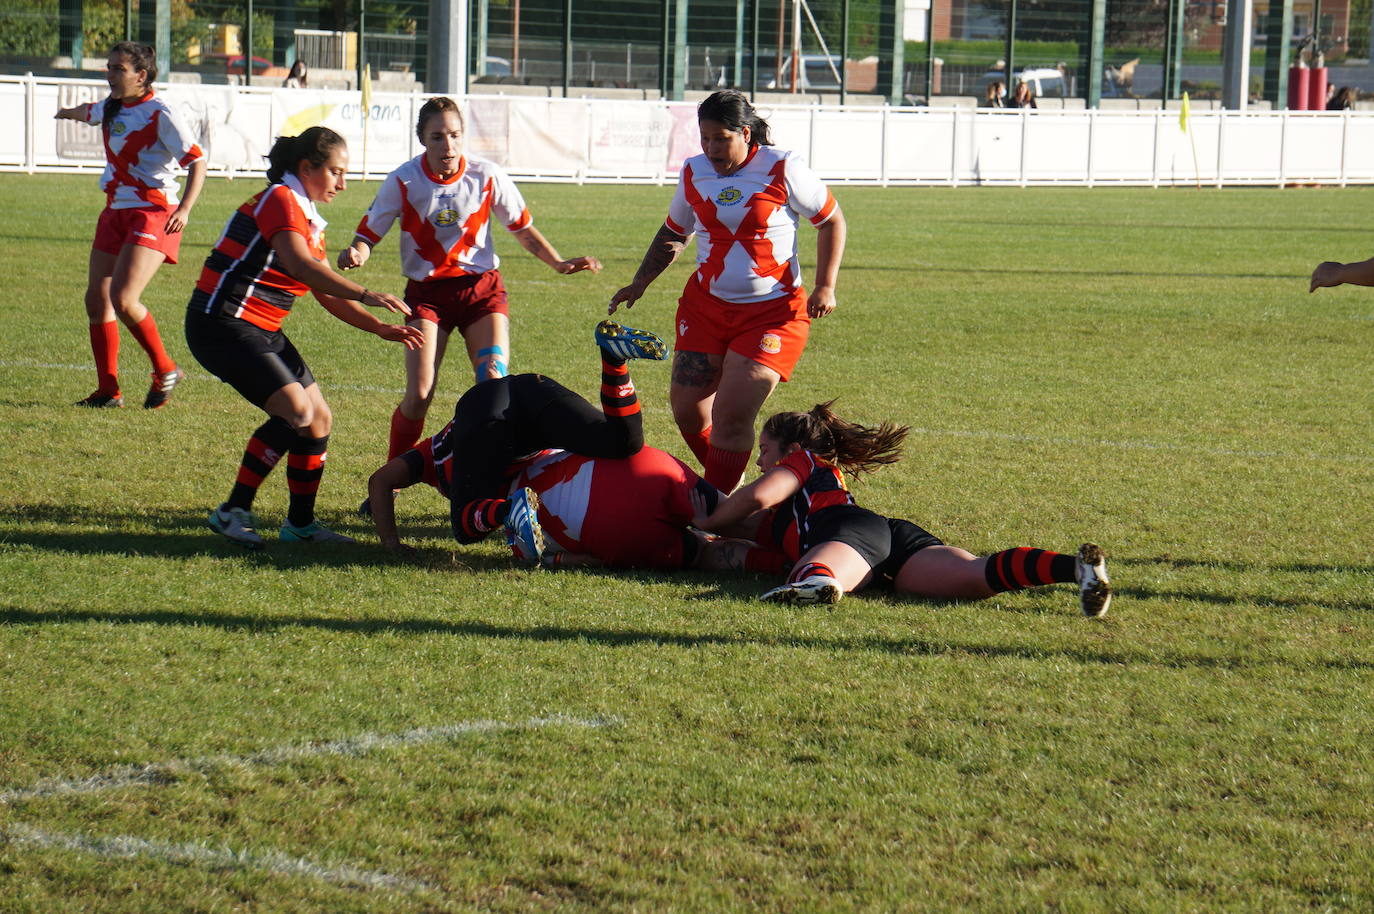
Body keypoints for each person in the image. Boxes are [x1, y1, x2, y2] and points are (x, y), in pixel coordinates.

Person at [186, 126, 424, 548]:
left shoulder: (307, 216)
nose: (342, 183)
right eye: (335, 172)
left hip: (260, 327)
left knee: (318, 420)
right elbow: (300, 265)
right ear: (306, 168)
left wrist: (379, 328)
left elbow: (324, 291)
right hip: (220, 322)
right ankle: (232, 511)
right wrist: (366, 294)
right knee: (296, 410)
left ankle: (300, 526)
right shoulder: (280, 199)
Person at [339, 96, 602, 465]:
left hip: (482, 293)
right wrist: (356, 252)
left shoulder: (486, 175)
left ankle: (497, 477)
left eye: (454, 135)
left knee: (494, 385)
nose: (447, 146)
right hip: (427, 297)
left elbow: (522, 229)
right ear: (422, 139)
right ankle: (392, 476)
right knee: (419, 394)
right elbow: (368, 234)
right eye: (437, 137)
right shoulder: (403, 180)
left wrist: (557, 263)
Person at [608, 89, 847, 495]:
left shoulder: (782, 166)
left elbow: (831, 220)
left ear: (746, 134)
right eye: (705, 138)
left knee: (731, 417)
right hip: (705, 309)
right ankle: (732, 495)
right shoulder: (693, 171)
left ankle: (716, 514)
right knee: (688, 412)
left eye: (721, 138)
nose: (711, 148)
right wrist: (640, 281)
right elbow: (675, 231)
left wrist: (826, 285)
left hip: (773, 314)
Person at [691, 402, 1113, 616]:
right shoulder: (790, 516)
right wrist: (703, 536)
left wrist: (707, 518)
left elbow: (757, 497)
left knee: (818, 573)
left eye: (765, 450)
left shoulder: (805, 462)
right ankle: (1077, 568)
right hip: (888, 539)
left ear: (792, 449)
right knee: (974, 576)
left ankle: (818, 583)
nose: (760, 462)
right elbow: (745, 539)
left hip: (847, 531)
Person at [365, 320, 673, 561]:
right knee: (622, 442)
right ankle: (613, 358)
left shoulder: (430, 457)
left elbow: (380, 480)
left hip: (487, 410)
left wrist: (391, 544)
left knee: (464, 529)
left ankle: (509, 510)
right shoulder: (461, 464)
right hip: (528, 392)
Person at [55, 41, 208, 409]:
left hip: (153, 212)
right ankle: (108, 391)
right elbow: (89, 112)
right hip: (115, 211)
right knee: (96, 300)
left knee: (123, 299)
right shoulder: (112, 106)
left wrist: (185, 209)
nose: (110, 74)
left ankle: (165, 368)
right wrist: (67, 112)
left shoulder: (161, 113)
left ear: (141, 75)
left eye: (118, 69)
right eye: (108, 67)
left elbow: (197, 161)